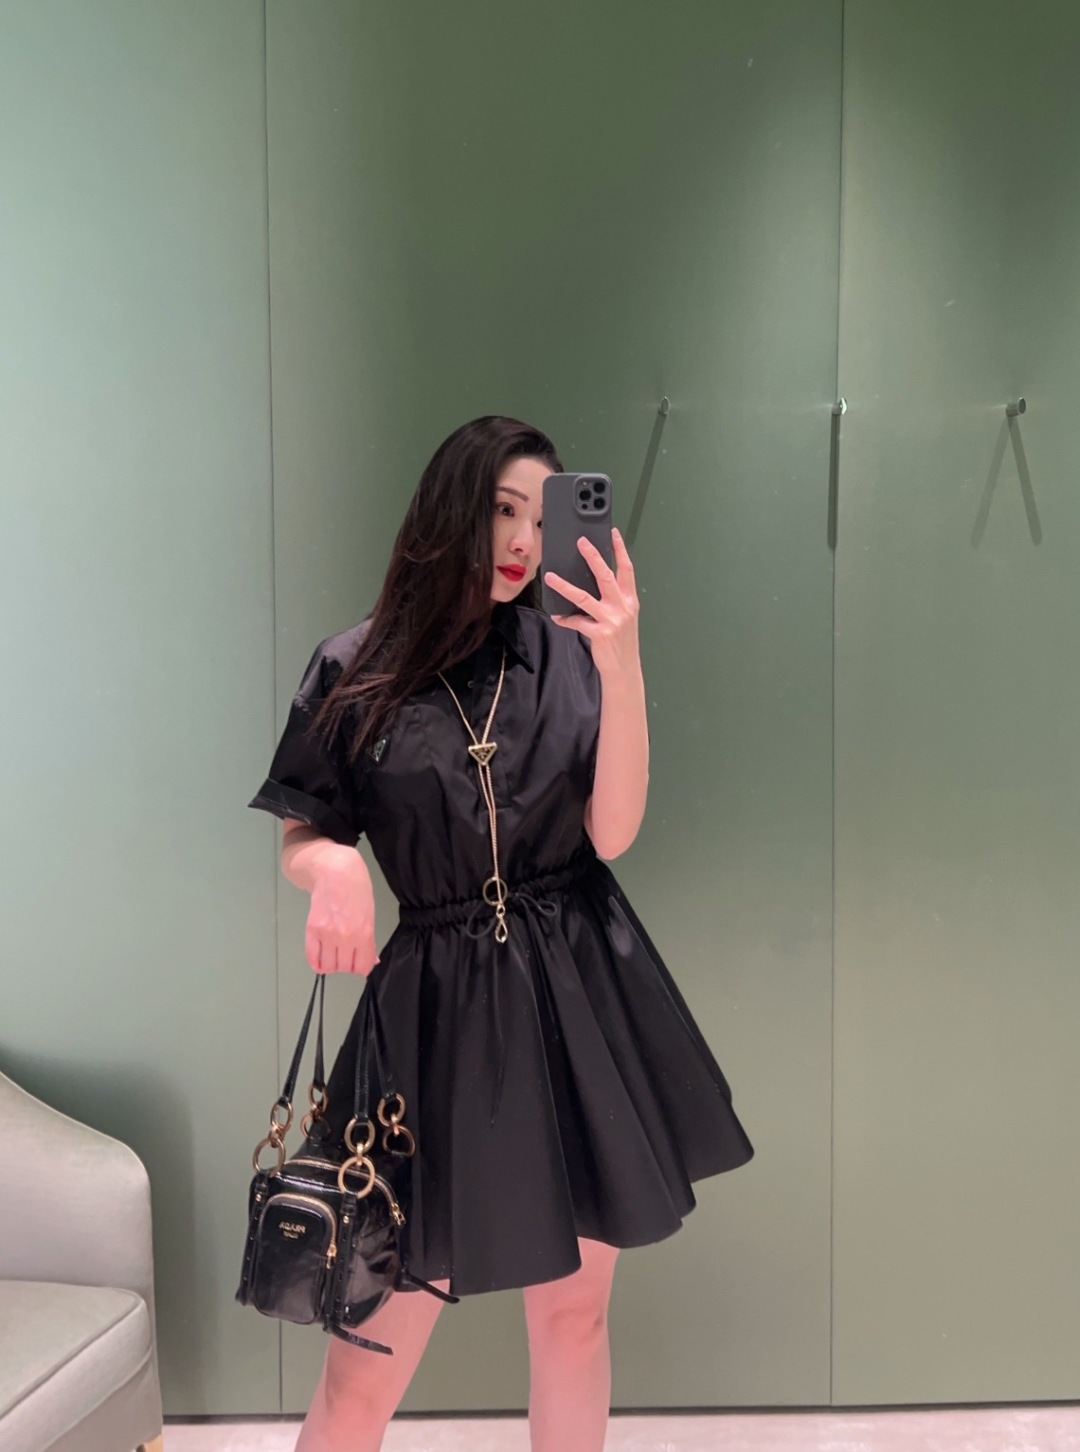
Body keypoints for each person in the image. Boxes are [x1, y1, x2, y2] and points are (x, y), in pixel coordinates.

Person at [249, 415, 754, 1452]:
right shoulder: (353, 665)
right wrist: (332, 866)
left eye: (542, 516)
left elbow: (612, 832)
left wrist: (622, 662)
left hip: (575, 996)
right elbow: (304, 829)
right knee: (366, 1353)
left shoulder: (569, 654)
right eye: (502, 509)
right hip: (430, 1017)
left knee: (574, 1320)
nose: (524, 541)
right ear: (450, 510)